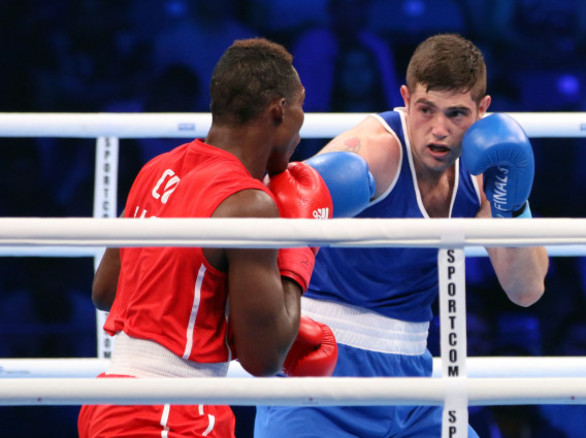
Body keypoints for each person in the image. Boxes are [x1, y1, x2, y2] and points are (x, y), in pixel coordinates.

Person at [255, 33, 549, 438]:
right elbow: (275, 219)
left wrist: (511, 203)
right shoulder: (374, 151)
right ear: (406, 99)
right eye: (426, 110)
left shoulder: (484, 170)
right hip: (323, 370)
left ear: (483, 111)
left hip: (413, 379)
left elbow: (526, 289)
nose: (439, 130)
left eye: (457, 115)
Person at [77, 38, 342, 438]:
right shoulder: (249, 203)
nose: (303, 125)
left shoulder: (157, 170)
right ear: (279, 110)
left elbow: (105, 292)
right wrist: (300, 248)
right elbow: (264, 358)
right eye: (301, 106)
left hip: (112, 404)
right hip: (171, 413)